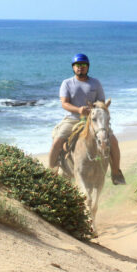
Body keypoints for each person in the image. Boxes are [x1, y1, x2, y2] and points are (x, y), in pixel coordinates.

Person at [48, 53, 126, 185]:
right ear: (73, 67)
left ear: (88, 67)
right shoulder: (67, 83)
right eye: (77, 65)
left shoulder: (95, 83)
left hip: (94, 120)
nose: (80, 68)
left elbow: (101, 102)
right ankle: (50, 173)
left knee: (113, 142)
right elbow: (64, 103)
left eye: (83, 65)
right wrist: (79, 110)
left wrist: (94, 109)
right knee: (57, 141)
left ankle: (116, 172)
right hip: (73, 118)